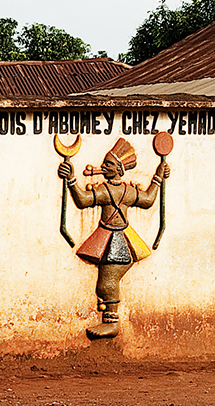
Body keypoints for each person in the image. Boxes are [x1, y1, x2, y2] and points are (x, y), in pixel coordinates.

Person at [59, 137, 168, 339]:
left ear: (119, 169)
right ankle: (110, 320)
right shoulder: (125, 191)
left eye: (108, 164)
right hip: (116, 238)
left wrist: (72, 181)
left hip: (116, 241)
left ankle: (112, 323)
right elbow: (147, 199)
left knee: (107, 283)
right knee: (108, 282)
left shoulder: (106, 191)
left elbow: (83, 200)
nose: (103, 167)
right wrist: (157, 179)